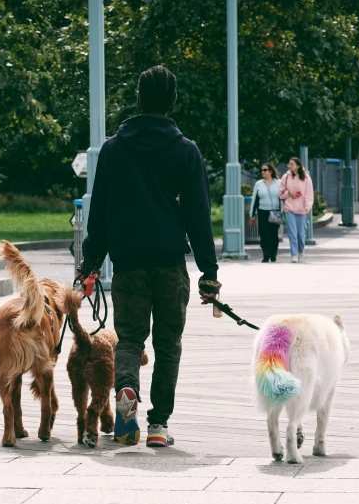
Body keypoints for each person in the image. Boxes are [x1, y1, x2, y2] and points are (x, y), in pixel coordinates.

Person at [81, 66, 220, 448]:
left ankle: (126, 394)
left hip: (127, 264)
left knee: (129, 340)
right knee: (167, 344)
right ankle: (158, 424)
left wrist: (90, 262)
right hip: (170, 263)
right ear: (172, 102)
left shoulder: (113, 149)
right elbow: (198, 215)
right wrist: (209, 271)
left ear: (138, 98)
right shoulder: (185, 151)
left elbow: (101, 213)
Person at [279, 157, 314, 263]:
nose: (290, 166)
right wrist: (289, 193)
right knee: (292, 233)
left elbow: (309, 193)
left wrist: (308, 206)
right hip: (289, 209)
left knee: (301, 233)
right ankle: (293, 254)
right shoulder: (285, 177)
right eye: (289, 164)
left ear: (298, 166)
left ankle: (300, 251)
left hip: (302, 209)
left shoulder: (306, 177)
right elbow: (281, 194)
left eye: (292, 164)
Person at [249, 163, 282, 262]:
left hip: (275, 211)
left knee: (274, 234)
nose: (262, 172)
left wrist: (283, 211)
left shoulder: (279, 183)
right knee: (264, 234)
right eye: (261, 170)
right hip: (262, 211)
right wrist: (252, 215)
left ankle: (273, 254)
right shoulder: (259, 183)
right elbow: (254, 200)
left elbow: (282, 198)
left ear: (271, 171)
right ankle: (266, 255)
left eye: (265, 170)